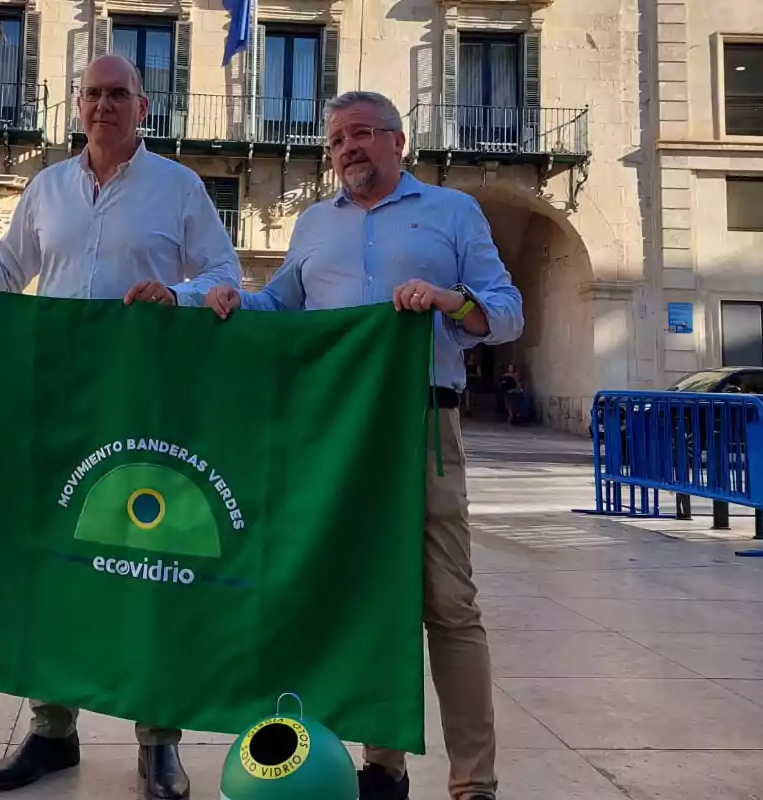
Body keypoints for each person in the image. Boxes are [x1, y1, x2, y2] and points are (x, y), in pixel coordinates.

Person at [0, 52, 241, 800]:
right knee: (51, 565)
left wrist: (179, 297)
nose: (103, 105)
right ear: (78, 106)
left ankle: (159, 742)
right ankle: (53, 733)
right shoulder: (47, 188)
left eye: (118, 94)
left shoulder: (179, 188)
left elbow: (225, 276)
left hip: (147, 407)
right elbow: (3, 269)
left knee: (149, 566)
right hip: (55, 404)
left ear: (143, 108)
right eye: (91, 94)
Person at [201, 91, 523, 800]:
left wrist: (449, 303)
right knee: (362, 598)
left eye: (364, 134)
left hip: (421, 425)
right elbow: (283, 304)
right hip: (334, 433)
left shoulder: (453, 214)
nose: (348, 148)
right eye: (338, 139)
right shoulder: (315, 224)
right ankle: (384, 766)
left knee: (449, 605)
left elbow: (505, 314)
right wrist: (231, 301)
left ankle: (475, 782)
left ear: (398, 142)